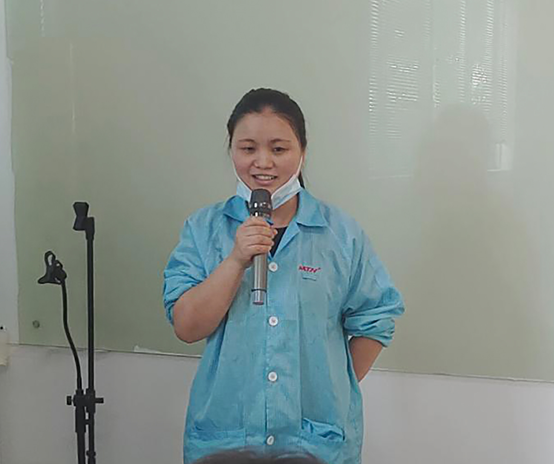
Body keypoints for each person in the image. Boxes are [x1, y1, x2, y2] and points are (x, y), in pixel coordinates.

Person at [163, 88, 405, 464]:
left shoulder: (340, 233)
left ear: (302, 151)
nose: (263, 162)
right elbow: (187, 326)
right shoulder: (203, 229)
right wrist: (235, 260)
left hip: (316, 444)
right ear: (232, 150)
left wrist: (330, 386)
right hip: (226, 442)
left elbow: (377, 318)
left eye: (278, 149)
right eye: (248, 148)